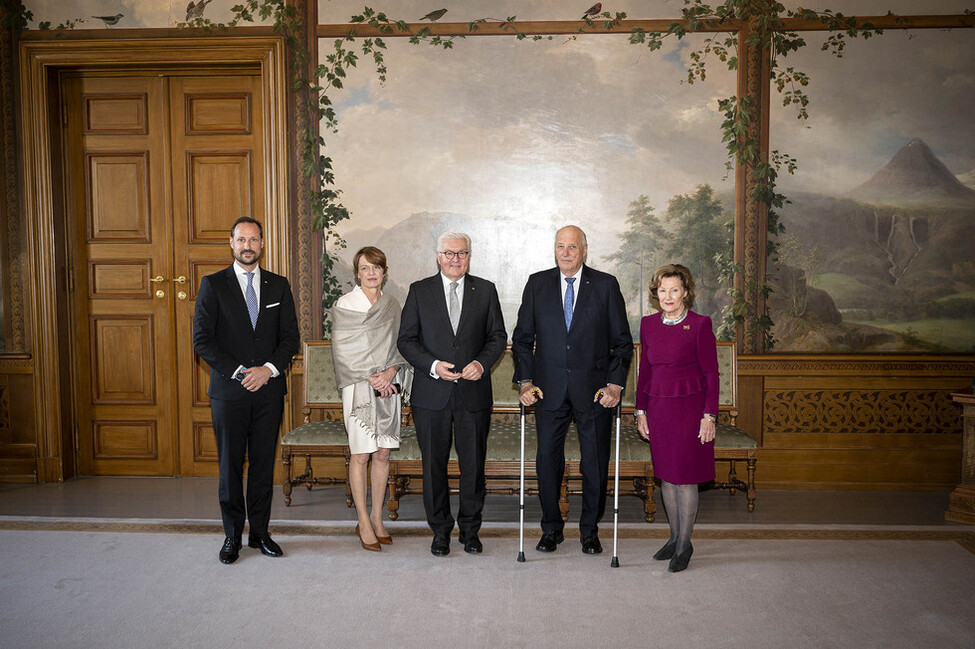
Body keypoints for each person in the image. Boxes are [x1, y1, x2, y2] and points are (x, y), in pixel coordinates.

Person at [512, 225, 632, 555]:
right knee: (547, 464)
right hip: (547, 391)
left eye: (572, 247)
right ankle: (551, 528)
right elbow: (522, 340)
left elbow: (622, 344)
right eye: (560, 246)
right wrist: (525, 381)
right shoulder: (538, 284)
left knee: (594, 464)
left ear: (584, 250)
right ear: (555, 249)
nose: (566, 252)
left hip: (594, 393)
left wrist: (614, 384)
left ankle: (590, 531)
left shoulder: (605, 286)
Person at [193, 216, 300, 564]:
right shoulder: (213, 285)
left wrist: (267, 371)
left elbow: (289, 339)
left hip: (269, 391)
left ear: (262, 244)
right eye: (241, 240)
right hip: (229, 392)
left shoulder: (278, 285)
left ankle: (260, 533)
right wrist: (241, 373)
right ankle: (231, 536)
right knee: (230, 466)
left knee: (262, 465)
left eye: (253, 240)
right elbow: (202, 341)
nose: (247, 246)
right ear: (231, 242)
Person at [397, 232, 507, 556]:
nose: (455, 259)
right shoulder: (419, 291)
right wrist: (432, 365)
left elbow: (497, 337)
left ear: (469, 256)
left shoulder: (485, 290)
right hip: (431, 394)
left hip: (473, 393)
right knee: (434, 467)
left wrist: (481, 364)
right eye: (449, 253)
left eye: (462, 253)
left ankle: (470, 531)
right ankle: (440, 532)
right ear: (438, 256)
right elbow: (406, 340)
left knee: (473, 467)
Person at [634, 263, 719, 573]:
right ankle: (673, 537)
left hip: (691, 411)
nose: (668, 296)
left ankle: (685, 544)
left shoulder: (700, 325)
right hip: (659, 410)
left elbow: (711, 373)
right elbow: (646, 372)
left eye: (674, 290)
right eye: (662, 290)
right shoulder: (648, 324)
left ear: (685, 293)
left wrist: (709, 415)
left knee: (685, 480)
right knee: (667, 477)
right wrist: (640, 411)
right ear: (656, 294)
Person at [330, 247, 412, 552]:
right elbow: (343, 351)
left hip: (389, 388)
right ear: (357, 273)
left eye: (377, 267)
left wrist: (391, 372)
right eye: (365, 268)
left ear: (384, 271)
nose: (371, 273)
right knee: (360, 455)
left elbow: (401, 345)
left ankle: (378, 519)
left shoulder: (392, 305)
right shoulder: (345, 304)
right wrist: (373, 376)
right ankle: (362, 520)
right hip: (358, 388)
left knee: (382, 454)